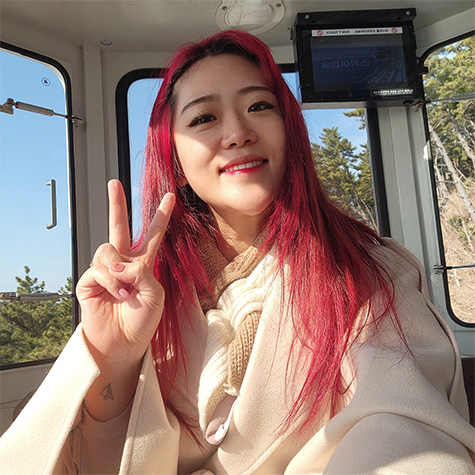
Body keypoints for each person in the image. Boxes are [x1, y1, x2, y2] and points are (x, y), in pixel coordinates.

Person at [0, 30, 474, 474]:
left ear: (288, 132)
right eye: (204, 118)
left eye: (259, 106)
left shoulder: (368, 270)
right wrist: (114, 358)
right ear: (175, 158)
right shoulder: (138, 287)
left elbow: (403, 427)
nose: (238, 132)